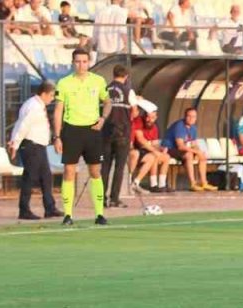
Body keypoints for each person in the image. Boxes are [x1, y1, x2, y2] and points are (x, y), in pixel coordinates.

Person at [54, 48, 112, 226]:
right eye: (78, 62)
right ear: (73, 63)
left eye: (85, 61)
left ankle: (100, 214)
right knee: (69, 171)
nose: (81, 65)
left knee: (95, 171)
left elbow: (108, 101)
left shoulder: (98, 81)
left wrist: (103, 118)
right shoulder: (64, 83)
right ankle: (68, 215)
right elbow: (58, 110)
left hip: (92, 130)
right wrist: (57, 136)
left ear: (89, 62)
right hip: (72, 131)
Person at [9, 81, 61, 221]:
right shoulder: (34, 106)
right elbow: (23, 126)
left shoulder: (38, 105)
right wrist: (15, 144)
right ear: (43, 93)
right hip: (31, 145)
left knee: (46, 177)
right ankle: (24, 209)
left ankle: (50, 208)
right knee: (30, 177)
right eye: (50, 95)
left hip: (39, 146)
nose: (52, 98)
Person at [161, 107, 218, 191]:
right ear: (185, 116)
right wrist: (196, 152)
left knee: (202, 156)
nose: (191, 119)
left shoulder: (193, 128)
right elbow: (180, 146)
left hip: (182, 150)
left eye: (194, 116)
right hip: (170, 149)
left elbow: (193, 143)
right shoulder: (179, 126)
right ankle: (192, 183)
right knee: (189, 155)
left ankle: (204, 182)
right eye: (189, 116)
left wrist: (199, 152)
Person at [100, 65, 133, 208]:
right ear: (125, 76)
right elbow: (135, 112)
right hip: (123, 133)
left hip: (106, 132)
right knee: (119, 167)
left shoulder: (105, 89)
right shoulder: (128, 91)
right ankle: (114, 198)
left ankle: (101, 199)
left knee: (105, 167)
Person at [129, 102, 170, 193]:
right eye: (147, 117)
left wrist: (160, 149)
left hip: (146, 151)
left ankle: (161, 184)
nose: (149, 119)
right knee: (153, 155)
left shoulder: (154, 127)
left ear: (156, 118)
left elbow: (155, 144)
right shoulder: (138, 122)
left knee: (166, 157)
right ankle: (152, 184)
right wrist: (155, 151)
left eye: (152, 118)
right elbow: (141, 140)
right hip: (139, 149)